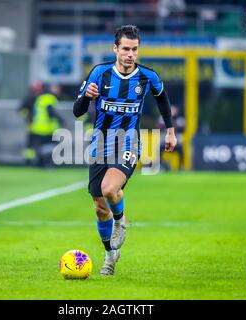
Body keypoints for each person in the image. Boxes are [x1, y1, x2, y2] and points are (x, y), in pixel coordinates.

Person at [73, 25, 177, 275]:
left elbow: (162, 98)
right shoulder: (99, 73)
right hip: (100, 144)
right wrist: (87, 97)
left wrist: (171, 130)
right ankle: (110, 257)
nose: (130, 54)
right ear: (115, 49)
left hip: (128, 142)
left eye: (134, 49)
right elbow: (77, 112)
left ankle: (121, 221)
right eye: (126, 49)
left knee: (110, 189)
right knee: (99, 206)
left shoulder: (147, 76)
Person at [22, 84, 64, 166]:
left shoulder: (40, 98)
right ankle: (46, 164)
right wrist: (61, 120)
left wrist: (28, 119)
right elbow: (51, 112)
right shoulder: (49, 98)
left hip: (36, 126)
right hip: (46, 127)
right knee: (48, 146)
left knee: (37, 147)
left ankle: (35, 163)